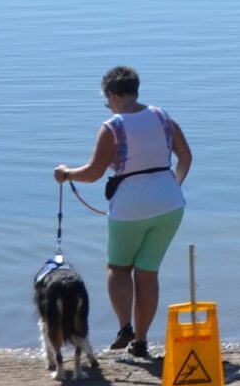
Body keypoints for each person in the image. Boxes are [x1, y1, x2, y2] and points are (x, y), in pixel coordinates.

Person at [52, 66, 190, 360]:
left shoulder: (112, 126)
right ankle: (141, 342)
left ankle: (125, 326)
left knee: (118, 268)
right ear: (135, 90)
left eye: (107, 101)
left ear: (112, 95)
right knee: (148, 275)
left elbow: (93, 173)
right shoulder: (163, 117)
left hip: (129, 208)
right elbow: (185, 158)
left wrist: (66, 173)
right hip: (170, 206)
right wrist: (173, 187)